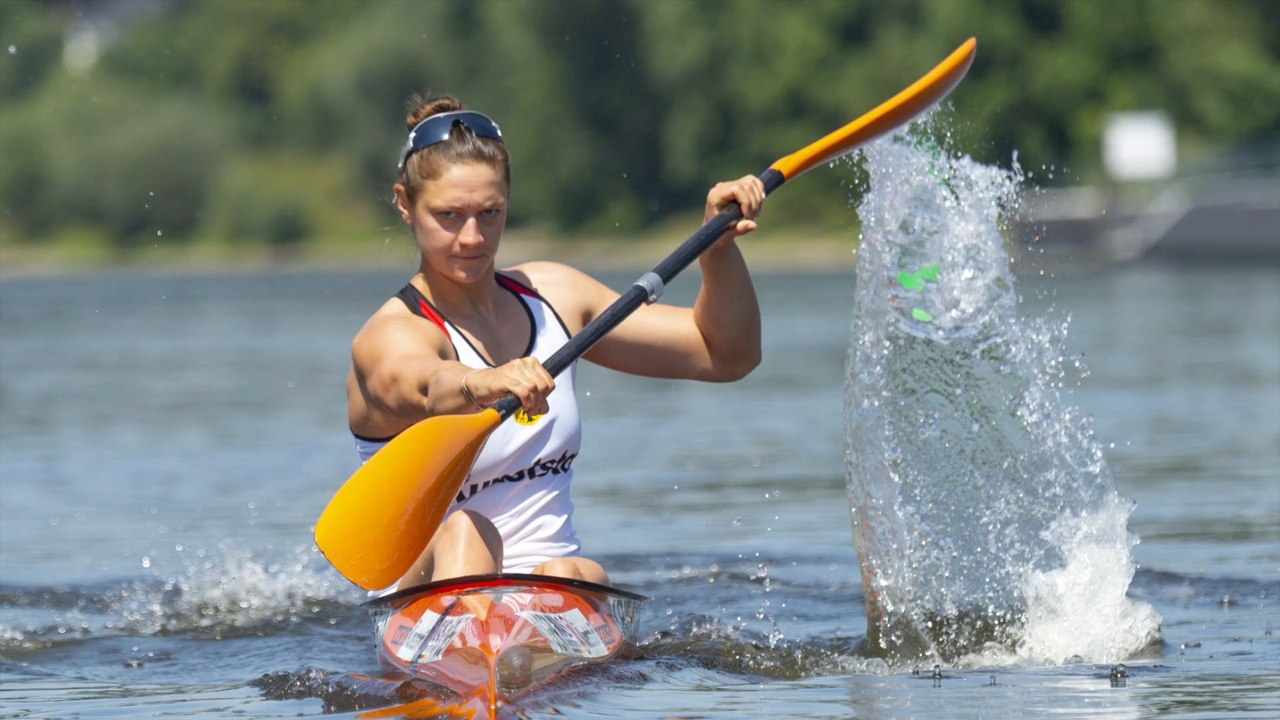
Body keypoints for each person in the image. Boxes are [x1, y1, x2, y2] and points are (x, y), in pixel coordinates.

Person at [347, 94, 764, 593]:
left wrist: (717, 250)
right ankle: (471, 654)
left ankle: (545, 644)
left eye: (490, 212)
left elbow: (725, 354)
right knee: (465, 530)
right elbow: (421, 385)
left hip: (549, 585)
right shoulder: (391, 334)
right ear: (405, 205)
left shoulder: (555, 296)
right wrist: (483, 381)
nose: (473, 237)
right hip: (431, 579)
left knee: (572, 574)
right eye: (450, 216)